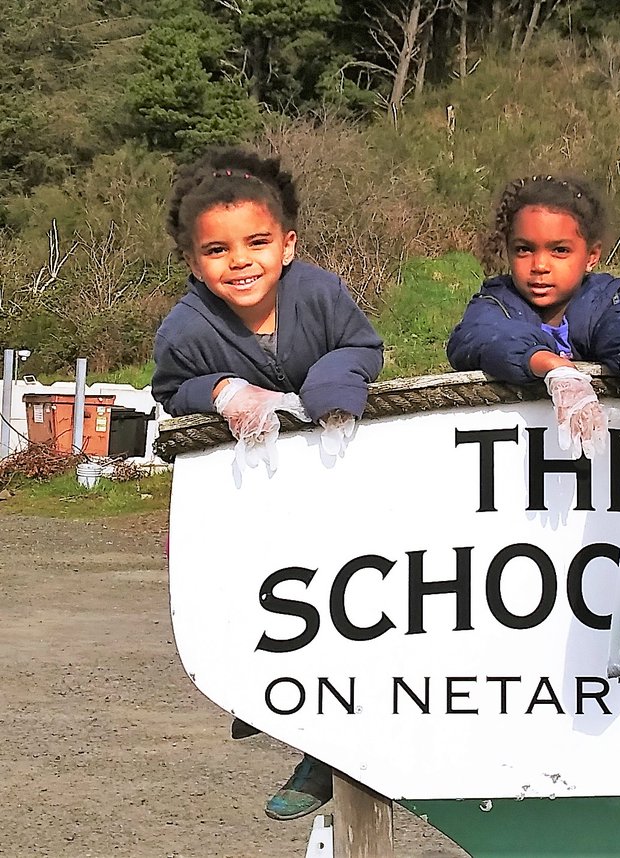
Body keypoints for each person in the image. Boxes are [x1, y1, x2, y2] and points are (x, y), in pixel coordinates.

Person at [151, 146, 384, 822]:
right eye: (218, 250)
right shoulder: (184, 326)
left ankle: (322, 757)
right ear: (194, 263)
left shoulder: (320, 292)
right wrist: (223, 390)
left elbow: (363, 347)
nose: (240, 261)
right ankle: (265, 700)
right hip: (249, 505)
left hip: (339, 496)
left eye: (257, 242)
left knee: (341, 616)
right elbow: (170, 388)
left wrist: (330, 391)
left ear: (287, 245)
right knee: (254, 610)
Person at [447, 174, 620, 455]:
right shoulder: (496, 302)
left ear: (591, 256)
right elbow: (480, 336)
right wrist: (551, 366)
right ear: (508, 250)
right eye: (524, 249)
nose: (540, 265)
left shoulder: (607, 299)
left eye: (559, 250)